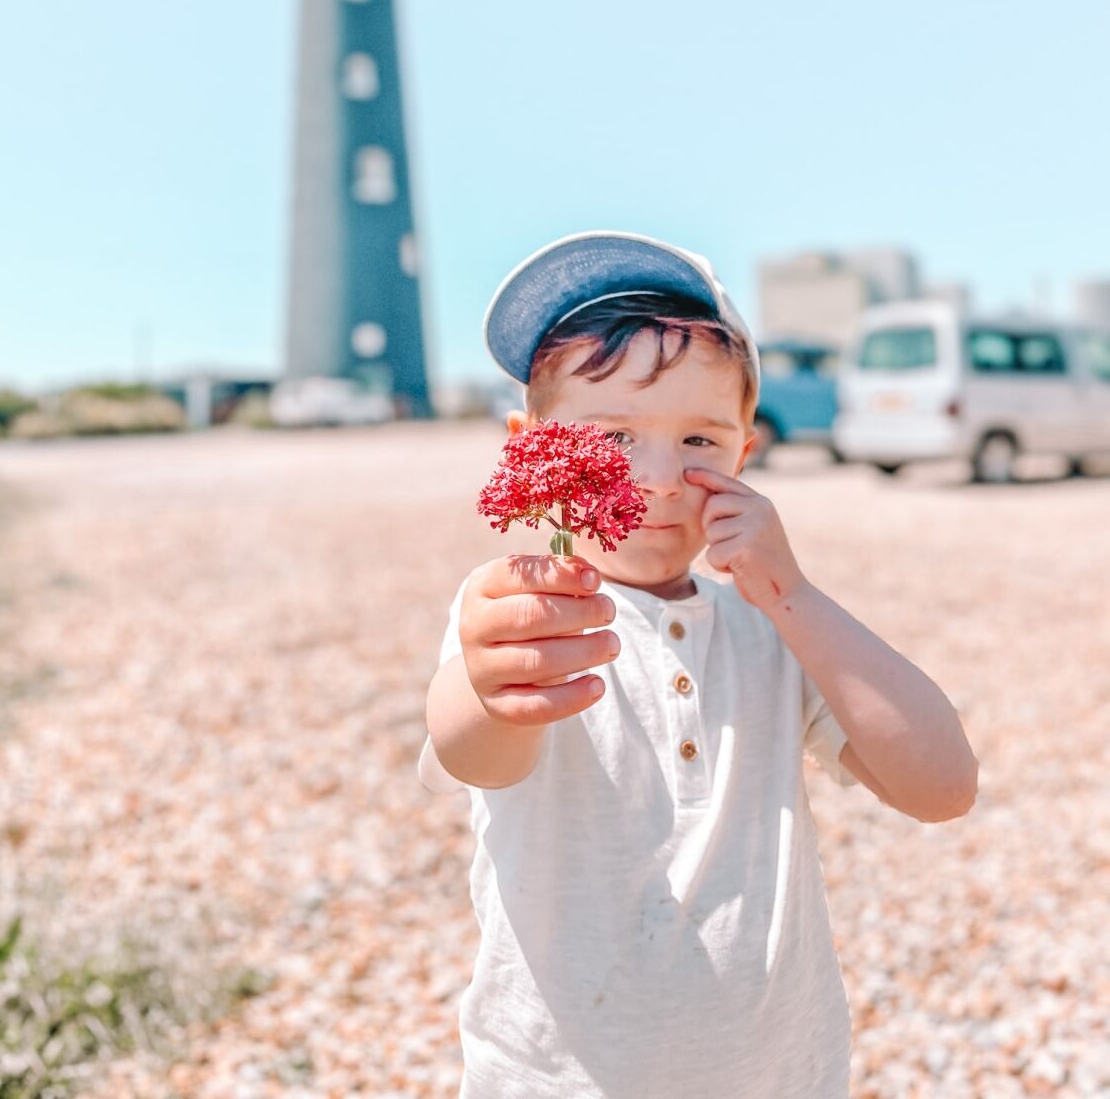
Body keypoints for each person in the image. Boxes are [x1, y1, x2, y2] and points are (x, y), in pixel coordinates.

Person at [418, 230, 978, 1099]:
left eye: (700, 443)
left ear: (746, 450)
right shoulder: (516, 610)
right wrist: (492, 688)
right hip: (559, 1077)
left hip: (777, 1073)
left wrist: (791, 594)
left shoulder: (770, 632)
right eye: (608, 437)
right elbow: (476, 756)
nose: (658, 480)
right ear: (530, 447)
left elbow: (942, 786)